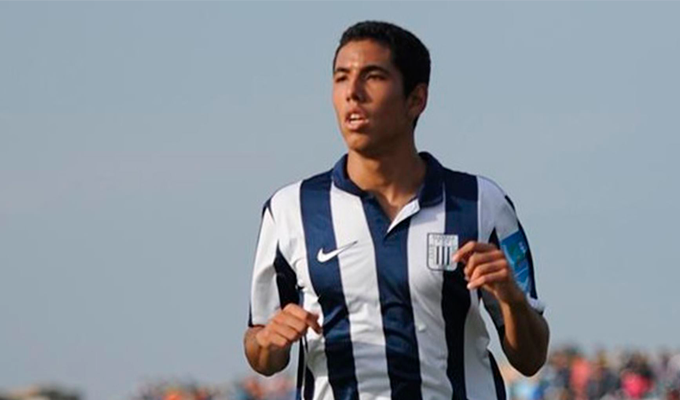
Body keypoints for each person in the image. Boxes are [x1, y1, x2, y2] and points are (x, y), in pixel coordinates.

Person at [243, 20, 549, 400]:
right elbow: (261, 350)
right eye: (341, 78)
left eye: (372, 77)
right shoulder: (290, 210)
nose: (352, 93)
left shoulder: (480, 202)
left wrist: (512, 299)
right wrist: (267, 342)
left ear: (416, 99)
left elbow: (531, 358)